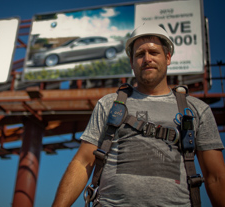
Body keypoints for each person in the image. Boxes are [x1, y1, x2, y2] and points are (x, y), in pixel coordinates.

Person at [52, 23, 225, 207]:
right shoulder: (110, 104)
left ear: (168, 58)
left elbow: (216, 177)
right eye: (140, 54)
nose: (147, 59)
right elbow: (83, 162)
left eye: (154, 53)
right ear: (132, 63)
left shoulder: (196, 110)